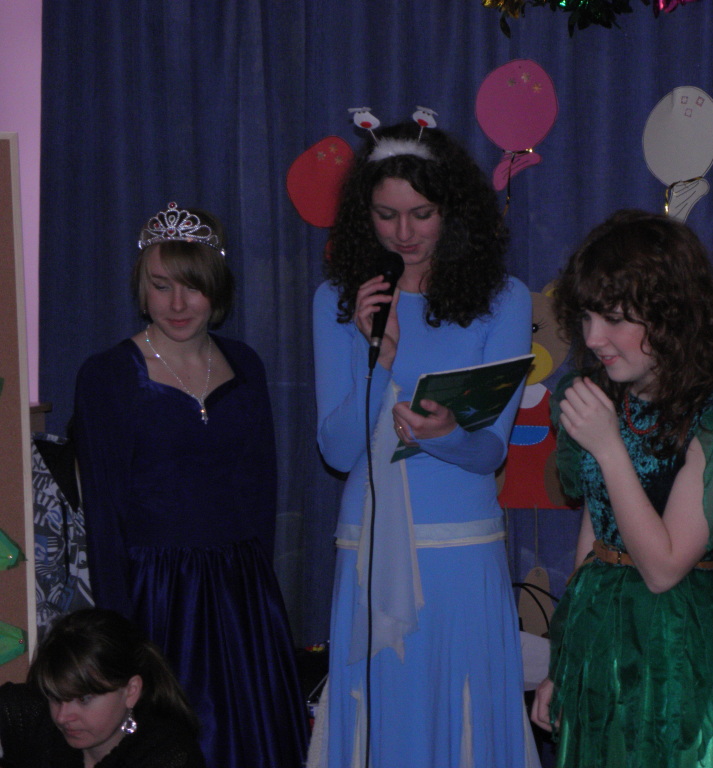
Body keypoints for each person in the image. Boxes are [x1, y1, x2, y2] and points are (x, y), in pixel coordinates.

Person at [530, 210, 713, 767]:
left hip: (682, 652)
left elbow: (663, 568)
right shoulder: (602, 400)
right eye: (586, 317)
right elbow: (596, 533)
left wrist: (610, 448)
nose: (593, 339)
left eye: (614, 319)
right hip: (603, 645)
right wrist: (564, 663)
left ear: (671, 317)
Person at [313, 122, 536, 767]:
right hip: (369, 544)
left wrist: (447, 434)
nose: (403, 233)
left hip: (461, 547)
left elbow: (490, 453)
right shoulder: (338, 301)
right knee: (383, 713)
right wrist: (377, 357)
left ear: (453, 212)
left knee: (463, 714)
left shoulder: (503, 300)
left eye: (422, 214)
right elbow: (337, 451)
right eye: (386, 215)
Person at [72, 204, 308, 768]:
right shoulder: (108, 376)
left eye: (193, 287)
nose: (177, 304)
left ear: (216, 288)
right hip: (157, 599)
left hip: (241, 601)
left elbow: (261, 494)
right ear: (141, 287)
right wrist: (122, 639)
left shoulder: (245, 366)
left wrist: (260, 606)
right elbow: (103, 517)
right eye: (161, 286)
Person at [0, 608, 205, 768]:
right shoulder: (35, 717)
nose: (62, 717)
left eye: (84, 699)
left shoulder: (169, 757)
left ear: (131, 691)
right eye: (55, 697)